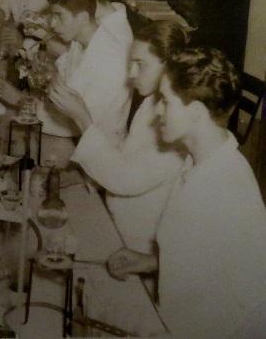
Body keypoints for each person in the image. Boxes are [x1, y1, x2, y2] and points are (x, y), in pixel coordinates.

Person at [107, 47, 266, 338]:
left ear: (195, 112)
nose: (157, 111)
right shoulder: (202, 160)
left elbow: (238, 305)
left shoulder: (223, 186)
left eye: (165, 102)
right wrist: (152, 262)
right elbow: (210, 261)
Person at [52, 20, 187, 253]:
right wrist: (84, 177)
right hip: (117, 218)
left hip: (137, 242)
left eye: (140, 64)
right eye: (130, 63)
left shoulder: (176, 122)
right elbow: (126, 153)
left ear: (169, 67)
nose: (131, 74)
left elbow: (126, 180)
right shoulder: (152, 102)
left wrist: (83, 118)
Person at [0, 0, 132, 163]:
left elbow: (73, 125)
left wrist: (20, 101)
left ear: (83, 18)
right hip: (71, 139)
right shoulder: (79, 43)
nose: (52, 24)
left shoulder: (109, 58)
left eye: (59, 16)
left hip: (97, 156)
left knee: (4, 146)